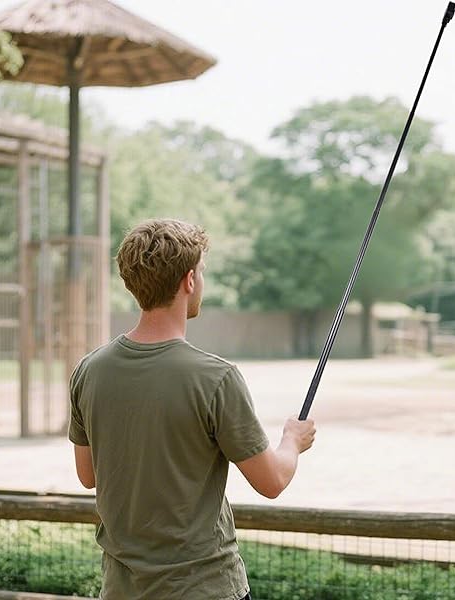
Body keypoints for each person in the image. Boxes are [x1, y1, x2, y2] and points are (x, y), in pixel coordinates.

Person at [68, 218, 316, 600]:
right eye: (201, 272)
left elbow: (89, 475)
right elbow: (272, 481)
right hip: (205, 589)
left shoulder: (90, 370)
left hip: (121, 590)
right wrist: (292, 441)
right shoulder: (216, 378)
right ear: (188, 280)